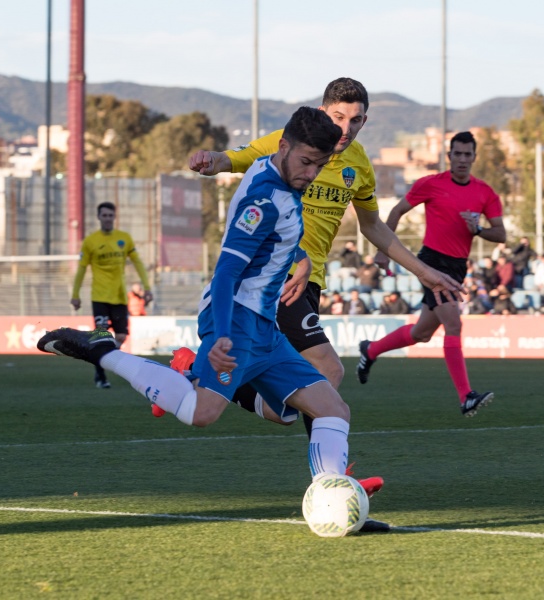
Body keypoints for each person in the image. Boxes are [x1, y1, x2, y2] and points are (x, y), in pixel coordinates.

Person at [37, 107, 384, 528]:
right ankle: (104, 351)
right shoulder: (263, 201)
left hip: (263, 326)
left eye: (320, 165)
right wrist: (221, 335)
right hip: (235, 321)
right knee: (201, 414)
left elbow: (274, 234)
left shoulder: (270, 173)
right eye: (306, 162)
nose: (311, 173)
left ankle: (332, 505)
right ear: (284, 147)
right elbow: (225, 273)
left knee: (331, 409)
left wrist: (300, 259)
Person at [188, 77, 462, 428]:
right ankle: (331, 474)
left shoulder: (360, 165)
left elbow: (373, 226)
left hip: (311, 279)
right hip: (277, 274)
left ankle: (197, 376)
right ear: (322, 112)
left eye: (355, 120)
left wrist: (422, 271)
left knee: (285, 410)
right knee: (328, 369)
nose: (345, 128)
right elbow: (236, 158)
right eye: (337, 117)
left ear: (365, 121)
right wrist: (212, 160)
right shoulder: (291, 141)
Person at [357, 130, 506, 417]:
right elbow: (397, 211)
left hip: (458, 266)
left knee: (422, 333)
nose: (462, 159)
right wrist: (382, 250)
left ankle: (371, 350)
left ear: (474, 157)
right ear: (449, 156)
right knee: (454, 325)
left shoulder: (485, 192)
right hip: (431, 262)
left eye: (467, 154)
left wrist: (479, 230)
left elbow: (501, 234)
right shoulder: (431, 184)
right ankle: (466, 397)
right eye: (457, 154)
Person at [71, 202, 153, 389]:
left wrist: (147, 287)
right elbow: (82, 269)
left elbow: (138, 263)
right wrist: (75, 295)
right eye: (104, 215)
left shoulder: (124, 239)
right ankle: (100, 375)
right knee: (101, 336)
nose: (107, 219)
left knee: (122, 336)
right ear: (98, 217)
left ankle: (104, 360)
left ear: (114, 217)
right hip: (99, 296)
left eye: (110, 215)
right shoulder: (91, 241)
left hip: (119, 297)